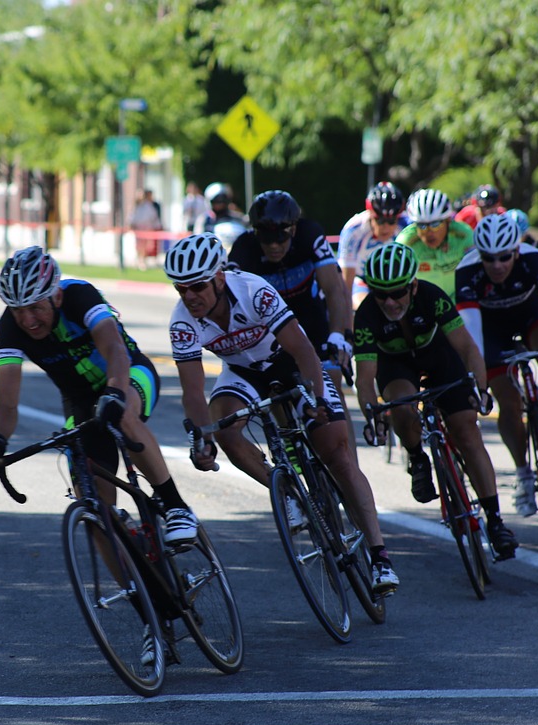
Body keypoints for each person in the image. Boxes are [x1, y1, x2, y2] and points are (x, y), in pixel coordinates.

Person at [166, 233, 399, 594]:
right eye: (182, 289)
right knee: (226, 429)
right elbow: (193, 392)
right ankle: (289, 495)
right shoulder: (182, 322)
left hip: (289, 363)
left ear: (219, 278)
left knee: (336, 453)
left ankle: (379, 556)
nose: (190, 296)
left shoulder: (253, 290)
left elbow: (303, 349)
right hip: (243, 374)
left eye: (197, 286)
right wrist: (202, 438)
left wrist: (317, 399)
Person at [0, 246, 199, 545]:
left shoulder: (80, 296)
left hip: (127, 374)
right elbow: (6, 400)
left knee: (122, 417)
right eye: (18, 310)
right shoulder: (9, 329)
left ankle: (176, 506)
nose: (28, 319)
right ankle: (135, 586)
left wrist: (114, 393)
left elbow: (115, 351)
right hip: (79, 401)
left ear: (56, 296)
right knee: (93, 504)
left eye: (35, 307)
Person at [353, 243, 519, 559]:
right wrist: (373, 414)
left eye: (397, 292)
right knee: (400, 408)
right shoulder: (366, 314)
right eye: (380, 293)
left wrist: (481, 389)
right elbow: (365, 378)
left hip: (439, 357)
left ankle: (496, 522)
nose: (389, 301)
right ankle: (417, 457)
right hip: (397, 366)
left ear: (413, 285)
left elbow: (469, 349)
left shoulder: (432, 297)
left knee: (467, 432)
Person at [454, 214, 538, 518]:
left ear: (516, 251)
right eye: (489, 258)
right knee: (509, 401)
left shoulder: (535, 260)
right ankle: (523, 473)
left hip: (531, 316)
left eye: (505, 257)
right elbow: (472, 333)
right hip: (491, 331)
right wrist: (479, 380)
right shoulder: (467, 271)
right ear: (479, 255)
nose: (498, 265)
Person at [228, 191, 354, 402]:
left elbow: (334, 289)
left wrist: (338, 335)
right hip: (272, 329)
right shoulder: (243, 248)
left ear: (293, 229)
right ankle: (287, 434)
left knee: (332, 389)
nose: (274, 246)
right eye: (266, 240)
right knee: (276, 392)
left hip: (312, 318)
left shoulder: (310, 234)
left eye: (280, 238)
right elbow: (231, 303)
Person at [394, 188, 476, 299]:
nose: (429, 232)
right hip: (422, 303)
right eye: (422, 225)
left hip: (456, 300)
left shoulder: (463, 234)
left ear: (447, 221)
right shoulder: (406, 242)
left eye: (435, 224)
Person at [339, 181, 409, 309]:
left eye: (391, 221)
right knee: (364, 306)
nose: (386, 227)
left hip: (395, 280)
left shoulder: (407, 226)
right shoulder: (353, 231)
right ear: (370, 214)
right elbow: (346, 284)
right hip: (363, 280)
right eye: (380, 220)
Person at [130, 189, 163, 271]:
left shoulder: (148, 206)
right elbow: (132, 217)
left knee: (145, 247)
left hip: (147, 229)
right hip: (139, 229)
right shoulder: (136, 207)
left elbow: (153, 217)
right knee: (139, 246)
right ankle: (139, 260)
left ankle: (142, 261)